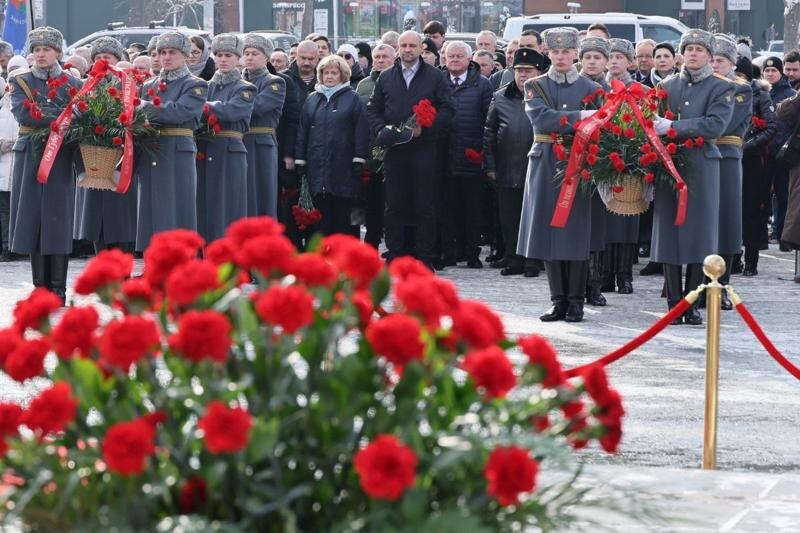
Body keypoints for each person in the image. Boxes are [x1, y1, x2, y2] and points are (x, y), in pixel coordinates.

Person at [518, 27, 600, 322]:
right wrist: (580, 117)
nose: (561, 56)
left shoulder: (591, 88)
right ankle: (557, 299)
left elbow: (602, 123)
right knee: (549, 231)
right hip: (545, 161)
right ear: (547, 53)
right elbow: (542, 119)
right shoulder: (535, 85)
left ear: (575, 53)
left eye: (566, 51)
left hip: (580, 164)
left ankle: (576, 299)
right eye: (555, 52)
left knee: (576, 232)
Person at [652, 29, 734, 325]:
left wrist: (672, 127)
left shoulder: (721, 87)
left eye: (700, 49)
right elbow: (653, 120)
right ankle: (674, 302)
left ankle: (692, 300)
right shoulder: (666, 84)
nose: (693, 54)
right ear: (681, 54)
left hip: (702, 165)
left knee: (699, 233)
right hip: (669, 163)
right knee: (669, 233)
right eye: (689, 49)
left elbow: (714, 126)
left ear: (711, 56)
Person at [367, 30, 454, 268]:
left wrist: (426, 128)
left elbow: (448, 109)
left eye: (412, 45)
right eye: (403, 45)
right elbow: (373, 109)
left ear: (420, 48)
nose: (407, 49)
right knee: (393, 204)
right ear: (397, 48)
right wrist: (381, 130)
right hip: (395, 150)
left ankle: (425, 257)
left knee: (425, 204)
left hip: (424, 149)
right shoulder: (386, 77)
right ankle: (395, 255)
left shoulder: (435, 77)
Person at [8, 27, 82, 301]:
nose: (40, 54)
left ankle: (58, 287)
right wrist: (62, 115)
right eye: (36, 49)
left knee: (58, 220)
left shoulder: (73, 84)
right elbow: (25, 114)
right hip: (30, 155)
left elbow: (80, 115)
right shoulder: (20, 81)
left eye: (46, 50)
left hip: (61, 157)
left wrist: (54, 116)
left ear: (58, 53)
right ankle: (40, 288)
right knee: (33, 220)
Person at [136, 31, 208, 251]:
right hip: (152, 150)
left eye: (172, 52)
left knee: (178, 207)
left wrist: (145, 107)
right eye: (162, 52)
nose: (166, 57)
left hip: (178, 150)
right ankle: (154, 264)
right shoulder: (149, 85)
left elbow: (181, 111)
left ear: (185, 55)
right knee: (151, 208)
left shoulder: (195, 84)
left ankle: (182, 264)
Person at [484, 48, 548, 278]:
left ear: (539, 72)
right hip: (507, 167)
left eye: (527, 70)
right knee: (509, 218)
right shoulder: (500, 96)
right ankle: (513, 259)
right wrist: (490, 165)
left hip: (539, 168)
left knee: (534, 218)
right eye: (519, 70)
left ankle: (533, 261)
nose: (522, 75)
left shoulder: (547, 95)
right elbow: (489, 132)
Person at [73, 37, 138, 256]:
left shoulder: (127, 84)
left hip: (121, 158)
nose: (102, 61)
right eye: (98, 58)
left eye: (107, 57)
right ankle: (102, 264)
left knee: (120, 218)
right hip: (92, 158)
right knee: (96, 219)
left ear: (117, 60)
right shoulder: (86, 86)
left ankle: (122, 269)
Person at [295, 55, 368, 236]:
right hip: (316, 166)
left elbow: (361, 130)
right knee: (321, 219)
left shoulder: (353, 99)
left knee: (346, 217)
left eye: (334, 73)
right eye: (326, 72)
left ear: (342, 75)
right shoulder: (312, 99)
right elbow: (303, 130)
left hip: (344, 166)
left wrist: (359, 158)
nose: (329, 76)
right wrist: (300, 160)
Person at [195, 34, 254, 243]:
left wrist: (199, 106)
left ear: (237, 58)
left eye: (228, 55)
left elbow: (231, 111)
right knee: (204, 207)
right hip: (206, 148)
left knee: (230, 207)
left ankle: (232, 261)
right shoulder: (205, 86)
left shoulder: (245, 87)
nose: (223, 59)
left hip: (230, 151)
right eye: (219, 55)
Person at [439, 41, 493, 268]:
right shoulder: (438, 82)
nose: (454, 59)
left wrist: (483, 153)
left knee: (472, 210)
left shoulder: (482, 85)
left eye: (459, 56)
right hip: (444, 157)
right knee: (447, 208)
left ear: (469, 59)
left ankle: (472, 252)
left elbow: (489, 122)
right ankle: (449, 251)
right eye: (451, 56)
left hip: (472, 156)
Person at [709, 34, 751, 309]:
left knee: (725, 221)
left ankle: (722, 285)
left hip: (726, 155)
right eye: (711, 59)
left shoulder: (741, 89)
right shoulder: (702, 87)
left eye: (720, 60)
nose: (714, 65)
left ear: (732, 64)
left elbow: (723, 125)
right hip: (699, 155)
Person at [603, 38, 640, 295]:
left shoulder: (639, 89)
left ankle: (624, 275)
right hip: (603, 158)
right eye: (611, 56)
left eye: (620, 57)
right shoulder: (596, 87)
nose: (614, 61)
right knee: (604, 219)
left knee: (628, 218)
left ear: (630, 61)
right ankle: (604, 275)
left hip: (632, 159)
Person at [578, 36, 611, 306]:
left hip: (602, 163)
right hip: (573, 164)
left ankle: (594, 284)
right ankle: (576, 284)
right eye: (587, 56)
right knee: (575, 225)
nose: (591, 61)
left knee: (597, 228)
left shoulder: (612, 90)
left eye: (597, 57)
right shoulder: (573, 86)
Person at [739, 56, 776, 275]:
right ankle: (732, 259)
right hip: (728, 158)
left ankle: (751, 261)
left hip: (752, 160)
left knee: (751, 212)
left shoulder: (761, 95)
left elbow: (771, 128)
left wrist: (747, 145)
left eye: (741, 76)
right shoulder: (724, 91)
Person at [356, 43, 396, 248]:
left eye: (385, 57)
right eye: (377, 56)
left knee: (392, 203)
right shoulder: (363, 85)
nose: (380, 60)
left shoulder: (398, 81)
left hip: (393, 151)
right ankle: (371, 243)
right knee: (372, 204)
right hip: (370, 153)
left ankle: (392, 245)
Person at [242, 34, 286, 219]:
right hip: (239, 141)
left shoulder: (274, 82)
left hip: (261, 144)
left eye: (255, 53)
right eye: (246, 53)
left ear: (266, 57)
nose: (249, 57)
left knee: (262, 194)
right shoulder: (237, 80)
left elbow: (257, 107)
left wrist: (229, 105)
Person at [763, 56, 796, 250]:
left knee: (783, 195)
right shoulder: (759, 92)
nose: (769, 74)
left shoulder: (789, 94)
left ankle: (783, 234)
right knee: (762, 195)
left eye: (773, 70)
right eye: (767, 71)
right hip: (763, 152)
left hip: (782, 153)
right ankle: (768, 231)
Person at [0, 77, 15, 261]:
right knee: (4, 209)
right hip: (3, 165)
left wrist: (13, 144)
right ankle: (6, 247)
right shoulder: (2, 108)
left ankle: (13, 246)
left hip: (17, 162)